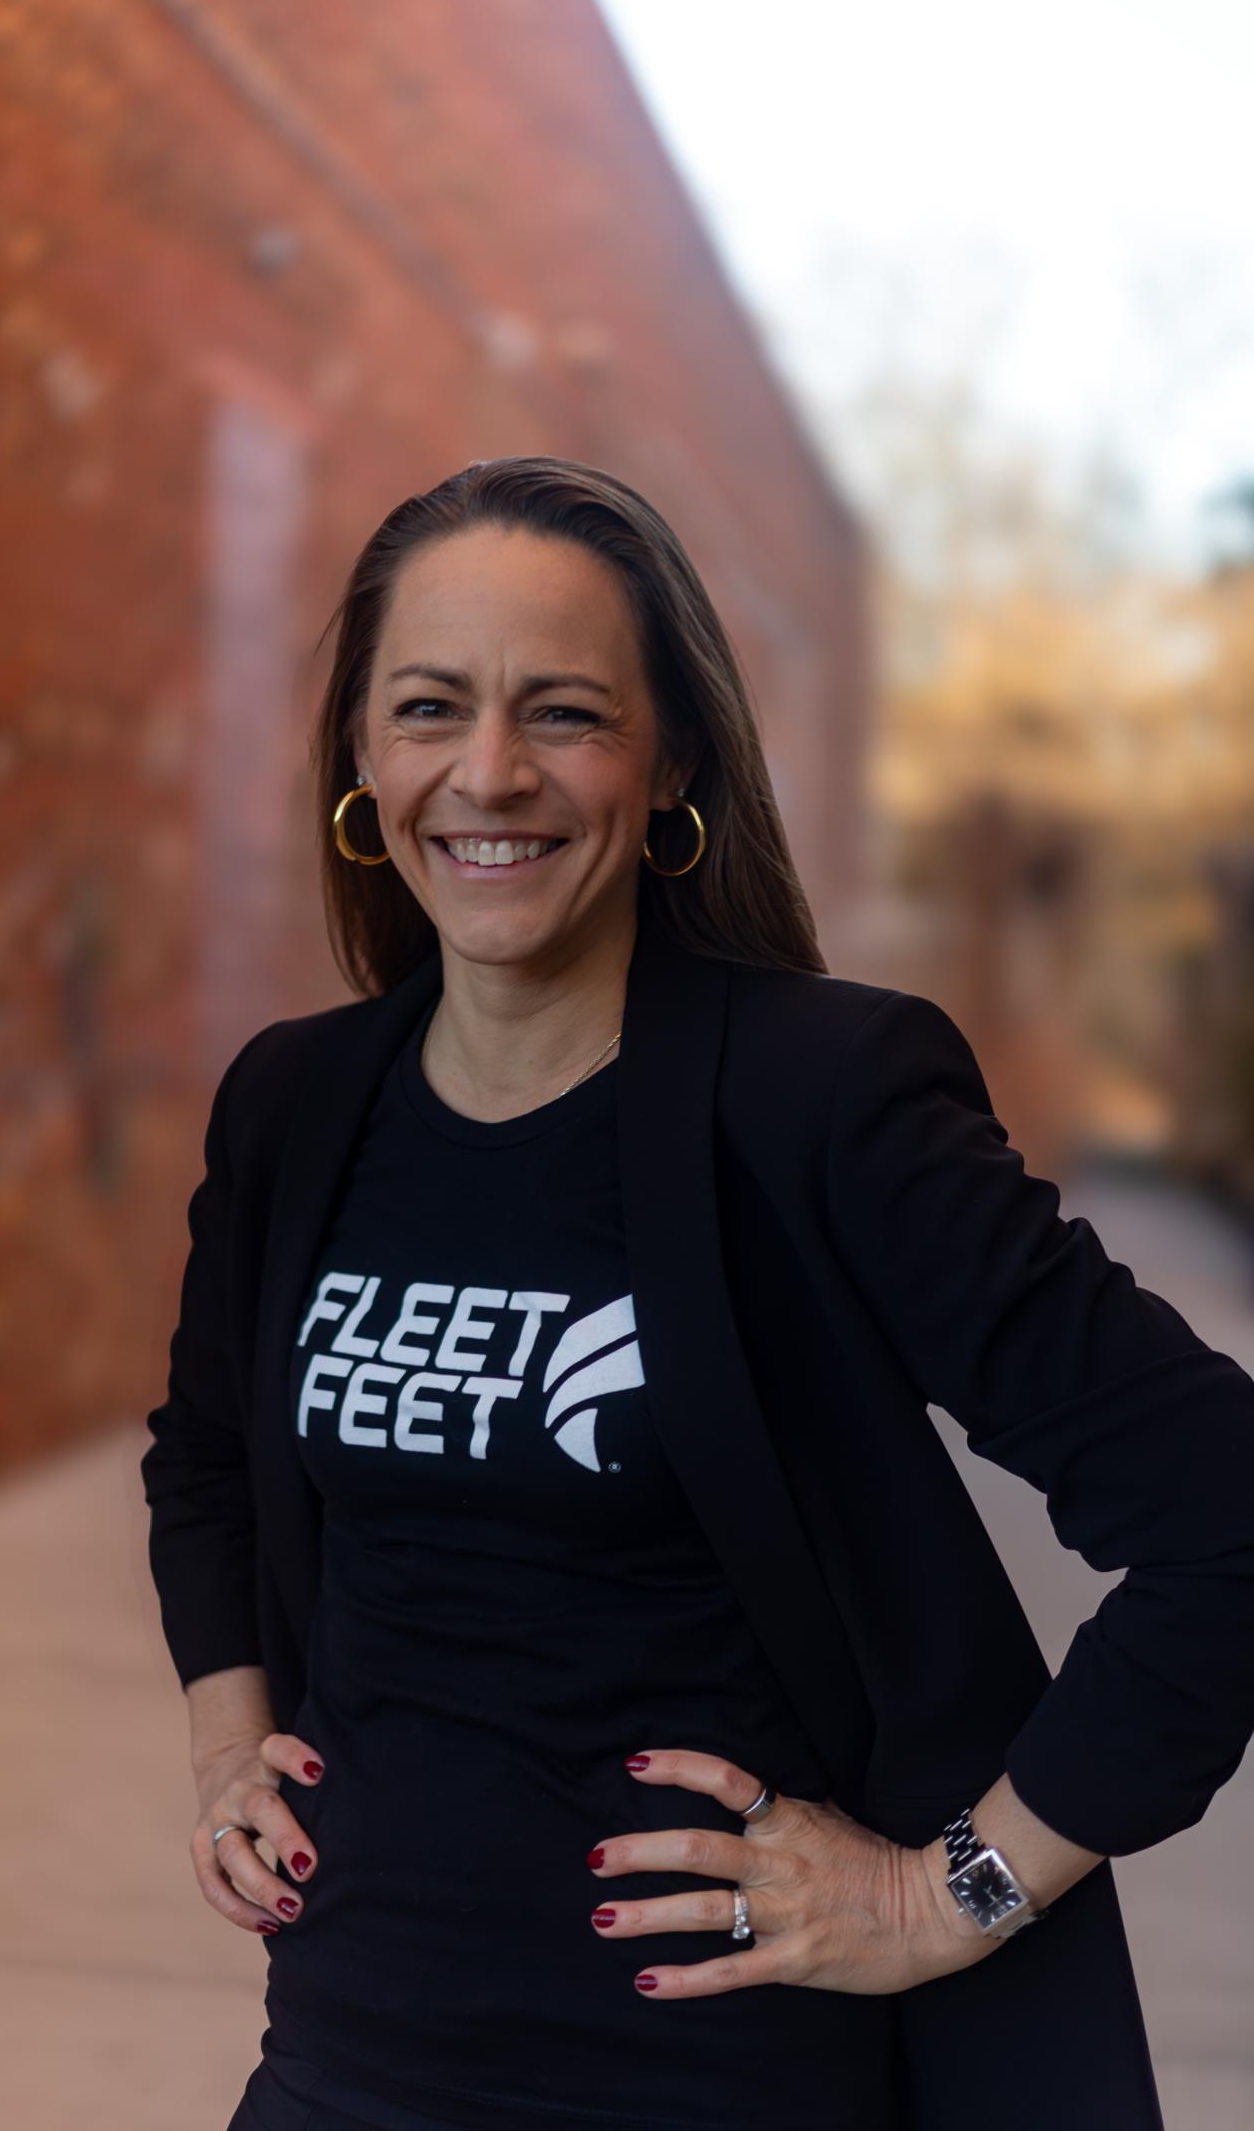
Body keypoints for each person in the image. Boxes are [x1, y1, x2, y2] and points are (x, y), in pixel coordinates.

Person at [140, 456, 1254, 2131]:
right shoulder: (297, 1105)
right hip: (343, 2059)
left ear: (670, 768)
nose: (490, 773)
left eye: (566, 713)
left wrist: (947, 1891)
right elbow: (210, 1456)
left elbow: (1222, 1509)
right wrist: (232, 1738)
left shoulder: (820, 1101)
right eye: (430, 706)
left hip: (706, 2078)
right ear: (362, 762)